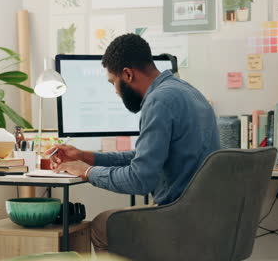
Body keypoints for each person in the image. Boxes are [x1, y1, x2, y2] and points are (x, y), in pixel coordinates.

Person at [46, 33, 220, 252]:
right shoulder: (188, 91)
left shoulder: (159, 101)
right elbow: (142, 157)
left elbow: (140, 180)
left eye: (113, 83)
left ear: (127, 74)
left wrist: (88, 172)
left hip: (179, 218)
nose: (116, 92)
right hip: (205, 216)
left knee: (102, 224)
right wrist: (85, 156)